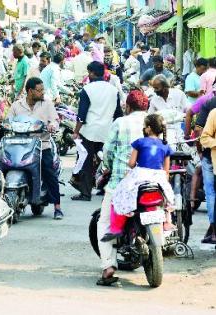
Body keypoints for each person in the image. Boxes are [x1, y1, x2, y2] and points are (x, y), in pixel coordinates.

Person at [96, 90, 148, 285]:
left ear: (127, 106)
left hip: (121, 182)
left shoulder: (120, 122)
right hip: (151, 181)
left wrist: (106, 167)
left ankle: (108, 266)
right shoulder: (154, 120)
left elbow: (108, 151)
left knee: (105, 223)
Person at [101, 113, 175, 242]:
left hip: (140, 175)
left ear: (148, 128)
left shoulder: (140, 142)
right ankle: (167, 222)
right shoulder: (165, 146)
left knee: (118, 195)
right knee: (167, 199)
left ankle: (117, 228)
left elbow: (131, 163)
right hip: (159, 178)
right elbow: (166, 170)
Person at [7, 77, 63, 220]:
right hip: (20, 144)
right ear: (30, 91)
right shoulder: (16, 105)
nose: (42, 92)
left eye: (43, 89)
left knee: (50, 173)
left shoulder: (47, 104)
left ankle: (57, 207)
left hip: (41, 145)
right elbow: (8, 121)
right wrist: (4, 124)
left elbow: (55, 120)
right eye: (39, 90)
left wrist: (52, 126)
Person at [70, 61, 123, 201]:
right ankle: (107, 189)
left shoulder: (87, 90)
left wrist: (76, 132)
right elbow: (118, 113)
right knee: (108, 160)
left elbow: (82, 114)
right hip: (108, 131)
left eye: (89, 72)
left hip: (89, 132)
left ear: (92, 73)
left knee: (86, 162)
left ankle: (85, 193)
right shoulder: (113, 90)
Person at [194, 94, 216, 243]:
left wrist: (200, 151)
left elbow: (198, 129)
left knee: (211, 194)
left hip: (208, 155)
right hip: (211, 157)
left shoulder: (209, 102)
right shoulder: (212, 108)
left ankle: (213, 231)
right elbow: (203, 135)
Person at [200, 108, 216, 243]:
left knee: (211, 194)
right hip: (213, 163)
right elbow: (204, 138)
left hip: (208, 160)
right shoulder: (214, 113)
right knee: (211, 195)